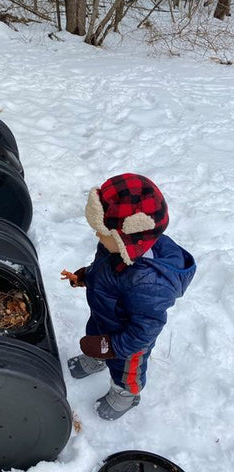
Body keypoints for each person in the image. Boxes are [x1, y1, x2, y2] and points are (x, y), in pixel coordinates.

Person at [61, 173, 196, 421]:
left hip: (128, 342)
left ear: (128, 240)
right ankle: (97, 359)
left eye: (103, 233)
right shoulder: (117, 247)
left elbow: (144, 332)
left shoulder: (148, 283)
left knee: (126, 370)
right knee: (94, 335)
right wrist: (86, 276)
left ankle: (126, 395)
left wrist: (112, 346)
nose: (97, 237)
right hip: (105, 315)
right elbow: (104, 269)